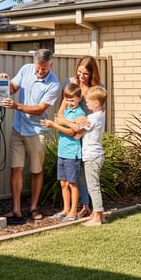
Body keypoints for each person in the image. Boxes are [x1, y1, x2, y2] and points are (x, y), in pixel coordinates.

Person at [0, 48, 61, 221]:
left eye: (44, 69)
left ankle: (33, 207)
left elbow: (41, 109)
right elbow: (12, 89)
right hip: (18, 128)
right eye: (38, 68)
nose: (40, 72)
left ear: (51, 65)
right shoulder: (26, 69)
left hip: (36, 132)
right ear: (34, 63)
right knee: (16, 169)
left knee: (36, 170)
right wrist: (5, 81)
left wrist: (16, 106)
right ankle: (17, 209)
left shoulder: (54, 84)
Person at [62, 56, 104, 218]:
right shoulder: (71, 82)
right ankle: (81, 206)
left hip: (88, 133)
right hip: (75, 131)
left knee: (86, 175)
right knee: (75, 173)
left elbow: (101, 112)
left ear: (92, 74)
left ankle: (91, 208)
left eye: (85, 74)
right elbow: (65, 106)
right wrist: (68, 123)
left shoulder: (98, 88)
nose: (81, 76)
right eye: (79, 72)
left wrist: (88, 126)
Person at [42, 83, 86, 222]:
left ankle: (73, 211)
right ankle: (66, 209)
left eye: (72, 100)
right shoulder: (66, 110)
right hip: (62, 152)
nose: (69, 103)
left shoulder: (80, 114)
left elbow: (72, 131)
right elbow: (58, 118)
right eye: (67, 100)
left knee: (72, 183)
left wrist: (55, 125)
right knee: (63, 183)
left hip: (72, 153)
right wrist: (61, 121)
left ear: (79, 99)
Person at [78, 85, 108, 226]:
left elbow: (77, 130)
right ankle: (99, 216)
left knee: (93, 187)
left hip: (92, 156)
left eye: (88, 101)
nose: (86, 103)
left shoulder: (93, 117)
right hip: (97, 155)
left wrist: (58, 123)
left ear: (96, 103)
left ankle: (97, 217)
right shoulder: (100, 116)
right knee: (94, 185)